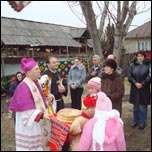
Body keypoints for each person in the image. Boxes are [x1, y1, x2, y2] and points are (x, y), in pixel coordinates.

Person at [8, 57, 53, 151]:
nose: (40, 70)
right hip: (30, 126)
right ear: (28, 73)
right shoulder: (23, 86)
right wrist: (42, 115)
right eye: (36, 69)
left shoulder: (35, 82)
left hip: (38, 123)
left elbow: (38, 99)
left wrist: (48, 97)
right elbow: (26, 111)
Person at [69, 77, 101, 151]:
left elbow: (88, 107)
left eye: (92, 89)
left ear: (98, 89)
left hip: (88, 120)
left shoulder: (98, 99)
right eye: (89, 88)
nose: (90, 90)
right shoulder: (91, 96)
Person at [128, 51, 151, 130]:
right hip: (135, 89)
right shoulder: (132, 65)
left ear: (144, 57)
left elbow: (149, 76)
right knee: (135, 107)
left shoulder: (148, 65)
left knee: (143, 107)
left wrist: (142, 84)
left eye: (141, 56)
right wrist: (135, 83)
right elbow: (129, 76)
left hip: (144, 88)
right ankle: (135, 122)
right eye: (138, 56)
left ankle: (142, 123)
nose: (139, 57)